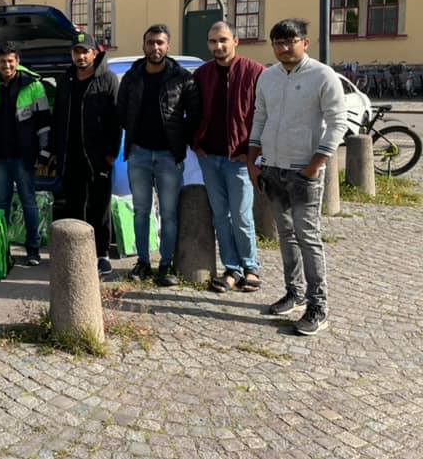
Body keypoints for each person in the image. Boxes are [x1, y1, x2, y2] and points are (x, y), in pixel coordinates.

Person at [248, 18, 347, 336]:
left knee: (308, 237)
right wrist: (253, 157)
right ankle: (295, 292)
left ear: (305, 43)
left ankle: (318, 306)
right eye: (278, 42)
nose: (284, 47)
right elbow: (260, 116)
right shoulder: (268, 77)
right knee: (286, 235)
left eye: (290, 41)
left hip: (304, 171)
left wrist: (316, 164)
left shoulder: (322, 75)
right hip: (273, 168)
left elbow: (338, 122)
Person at [116, 24, 201, 287]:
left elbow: (194, 114)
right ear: (144, 45)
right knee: (141, 211)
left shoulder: (182, 77)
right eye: (151, 42)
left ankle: (167, 264)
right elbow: (121, 111)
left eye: (160, 43)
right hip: (139, 154)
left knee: (168, 213)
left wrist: (180, 140)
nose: (155, 47)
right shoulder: (132, 76)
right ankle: (143, 262)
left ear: (168, 45)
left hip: (168, 156)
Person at [193, 22, 267, 294]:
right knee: (221, 218)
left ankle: (251, 268)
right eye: (213, 41)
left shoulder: (256, 72)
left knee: (242, 216)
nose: (218, 46)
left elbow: (265, 115)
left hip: (239, 158)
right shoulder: (202, 74)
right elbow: (192, 111)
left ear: (236, 40)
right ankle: (232, 269)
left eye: (223, 40)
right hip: (209, 157)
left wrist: (252, 152)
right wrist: (195, 143)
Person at [51, 32, 121, 277]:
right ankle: (76, 252)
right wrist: (55, 151)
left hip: (98, 156)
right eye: (76, 52)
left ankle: (101, 254)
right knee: (73, 205)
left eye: (85, 52)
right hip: (70, 155)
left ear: (94, 53)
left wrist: (112, 152)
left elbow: (116, 120)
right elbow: (58, 117)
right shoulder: (65, 79)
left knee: (99, 206)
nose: (80, 56)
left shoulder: (108, 79)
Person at [0, 42, 51, 266]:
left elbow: (44, 123)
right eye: (2, 61)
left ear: (17, 61)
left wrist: (44, 153)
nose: (6, 65)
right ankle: (2, 248)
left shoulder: (34, 86)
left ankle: (33, 249)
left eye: (10, 61)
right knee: (2, 204)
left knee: (29, 202)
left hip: (24, 156)